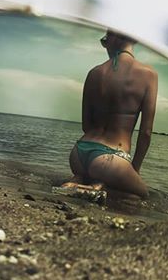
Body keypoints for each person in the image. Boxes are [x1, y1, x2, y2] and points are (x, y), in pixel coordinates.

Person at [62, 30, 158, 198]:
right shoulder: (148, 74)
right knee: (142, 196)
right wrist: (133, 170)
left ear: (114, 40)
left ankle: (79, 179)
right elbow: (146, 132)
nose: (105, 46)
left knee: (100, 176)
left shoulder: (94, 73)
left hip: (78, 153)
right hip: (112, 157)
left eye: (104, 41)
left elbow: (86, 125)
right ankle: (96, 187)